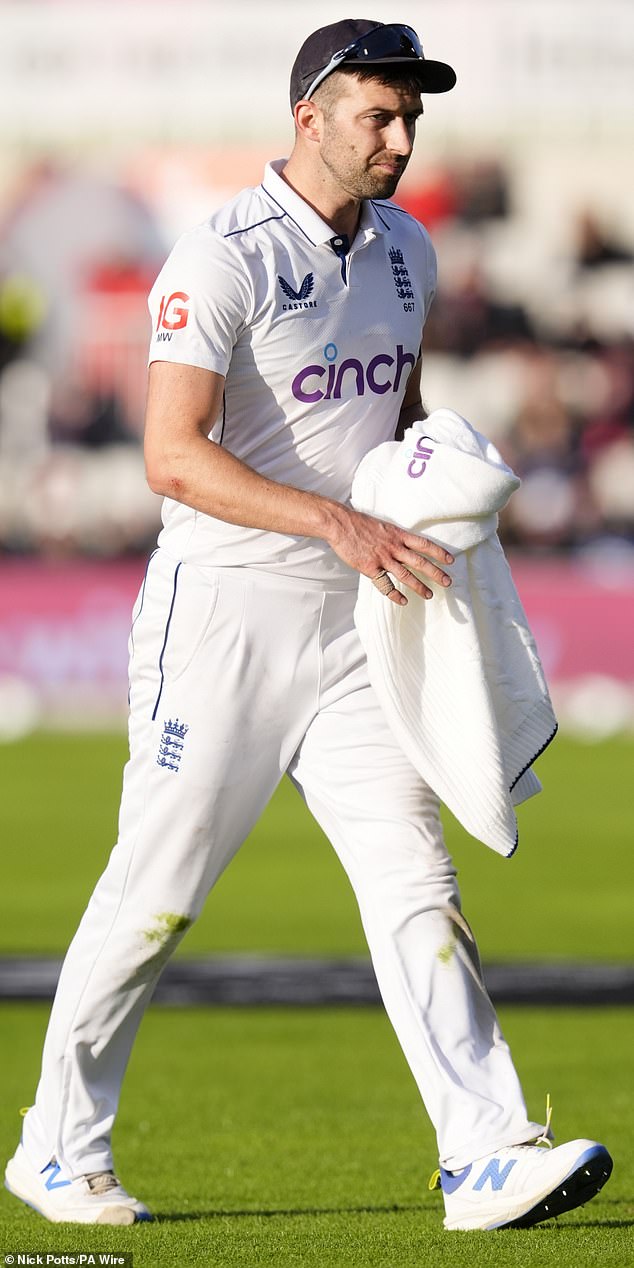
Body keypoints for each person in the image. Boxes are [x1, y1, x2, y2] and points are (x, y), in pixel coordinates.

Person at [5, 18, 612, 1231]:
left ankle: (486, 1150)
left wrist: (439, 481)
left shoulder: (410, 254)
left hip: (354, 627)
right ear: (310, 116)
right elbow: (171, 458)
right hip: (220, 618)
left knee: (416, 880)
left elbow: (400, 414)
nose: (400, 137)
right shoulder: (219, 254)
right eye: (379, 115)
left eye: (411, 118)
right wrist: (335, 524)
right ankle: (56, 1147)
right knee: (156, 891)